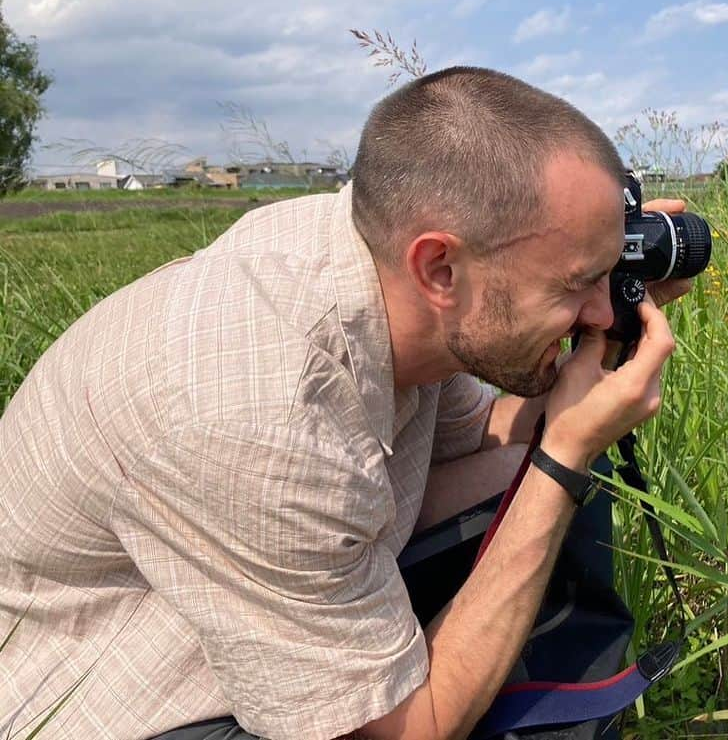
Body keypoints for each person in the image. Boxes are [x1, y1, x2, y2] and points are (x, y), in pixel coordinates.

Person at [0, 66, 690, 740]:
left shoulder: (384, 271)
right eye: (577, 282)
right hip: (108, 692)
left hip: (234, 578)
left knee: (526, 474)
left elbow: (482, 438)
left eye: (605, 275)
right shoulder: (264, 415)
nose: (596, 307)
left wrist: (595, 361)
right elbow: (404, 731)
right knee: (546, 481)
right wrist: (566, 454)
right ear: (440, 268)